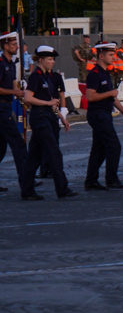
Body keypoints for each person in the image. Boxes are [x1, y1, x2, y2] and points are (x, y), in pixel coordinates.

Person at [19, 46, 75, 201]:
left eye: (53, 59)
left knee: (34, 156)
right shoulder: (36, 76)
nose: (52, 62)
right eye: (49, 59)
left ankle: (27, 190)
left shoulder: (50, 76)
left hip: (49, 117)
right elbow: (28, 98)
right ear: (41, 60)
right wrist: (47, 102)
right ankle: (62, 188)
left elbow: (53, 101)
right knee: (54, 152)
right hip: (40, 118)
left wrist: (62, 118)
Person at [83, 42, 123, 191]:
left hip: (105, 113)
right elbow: (90, 96)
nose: (113, 57)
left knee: (99, 149)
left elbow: (113, 98)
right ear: (101, 56)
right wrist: (109, 94)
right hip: (97, 114)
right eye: (110, 55)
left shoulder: (106, 73)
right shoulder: (94, 74)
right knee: (114, 146)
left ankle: (91, 181)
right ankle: (111, 179)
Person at [0, 31, 28, 192]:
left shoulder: (10, 63)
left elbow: (12, 84)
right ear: (5, 46)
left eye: (16, 44)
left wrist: (21, 93)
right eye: (13, 45)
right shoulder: (1, 63)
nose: (16, 47)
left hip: (7, 106)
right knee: (18, 144)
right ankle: (26, 182)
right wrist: (14, 93)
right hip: (1, 107)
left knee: (1, 147)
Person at [73, 33, 93, 108]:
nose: (87, 40)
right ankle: (84, 96)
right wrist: (81, 59)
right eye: (86, 38)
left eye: (88, 38)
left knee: (89, 80)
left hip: (89, 66)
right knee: (84, 80)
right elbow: (76, 52)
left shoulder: (89, 46)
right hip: (83, 66)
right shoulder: (81, 46)